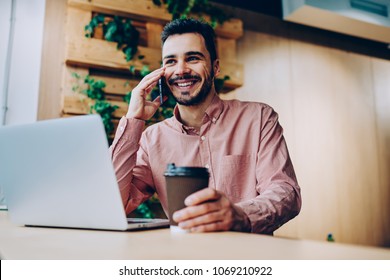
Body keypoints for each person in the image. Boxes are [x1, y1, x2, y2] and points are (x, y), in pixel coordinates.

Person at [109, 18, 301, 234]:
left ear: (215, 67)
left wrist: (239, 214)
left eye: (192, 58)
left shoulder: (259, 117)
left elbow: (286, 192)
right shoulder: (151, 138)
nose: (180, 70)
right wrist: (134, 119)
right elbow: (112, 205)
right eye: (170, 61)